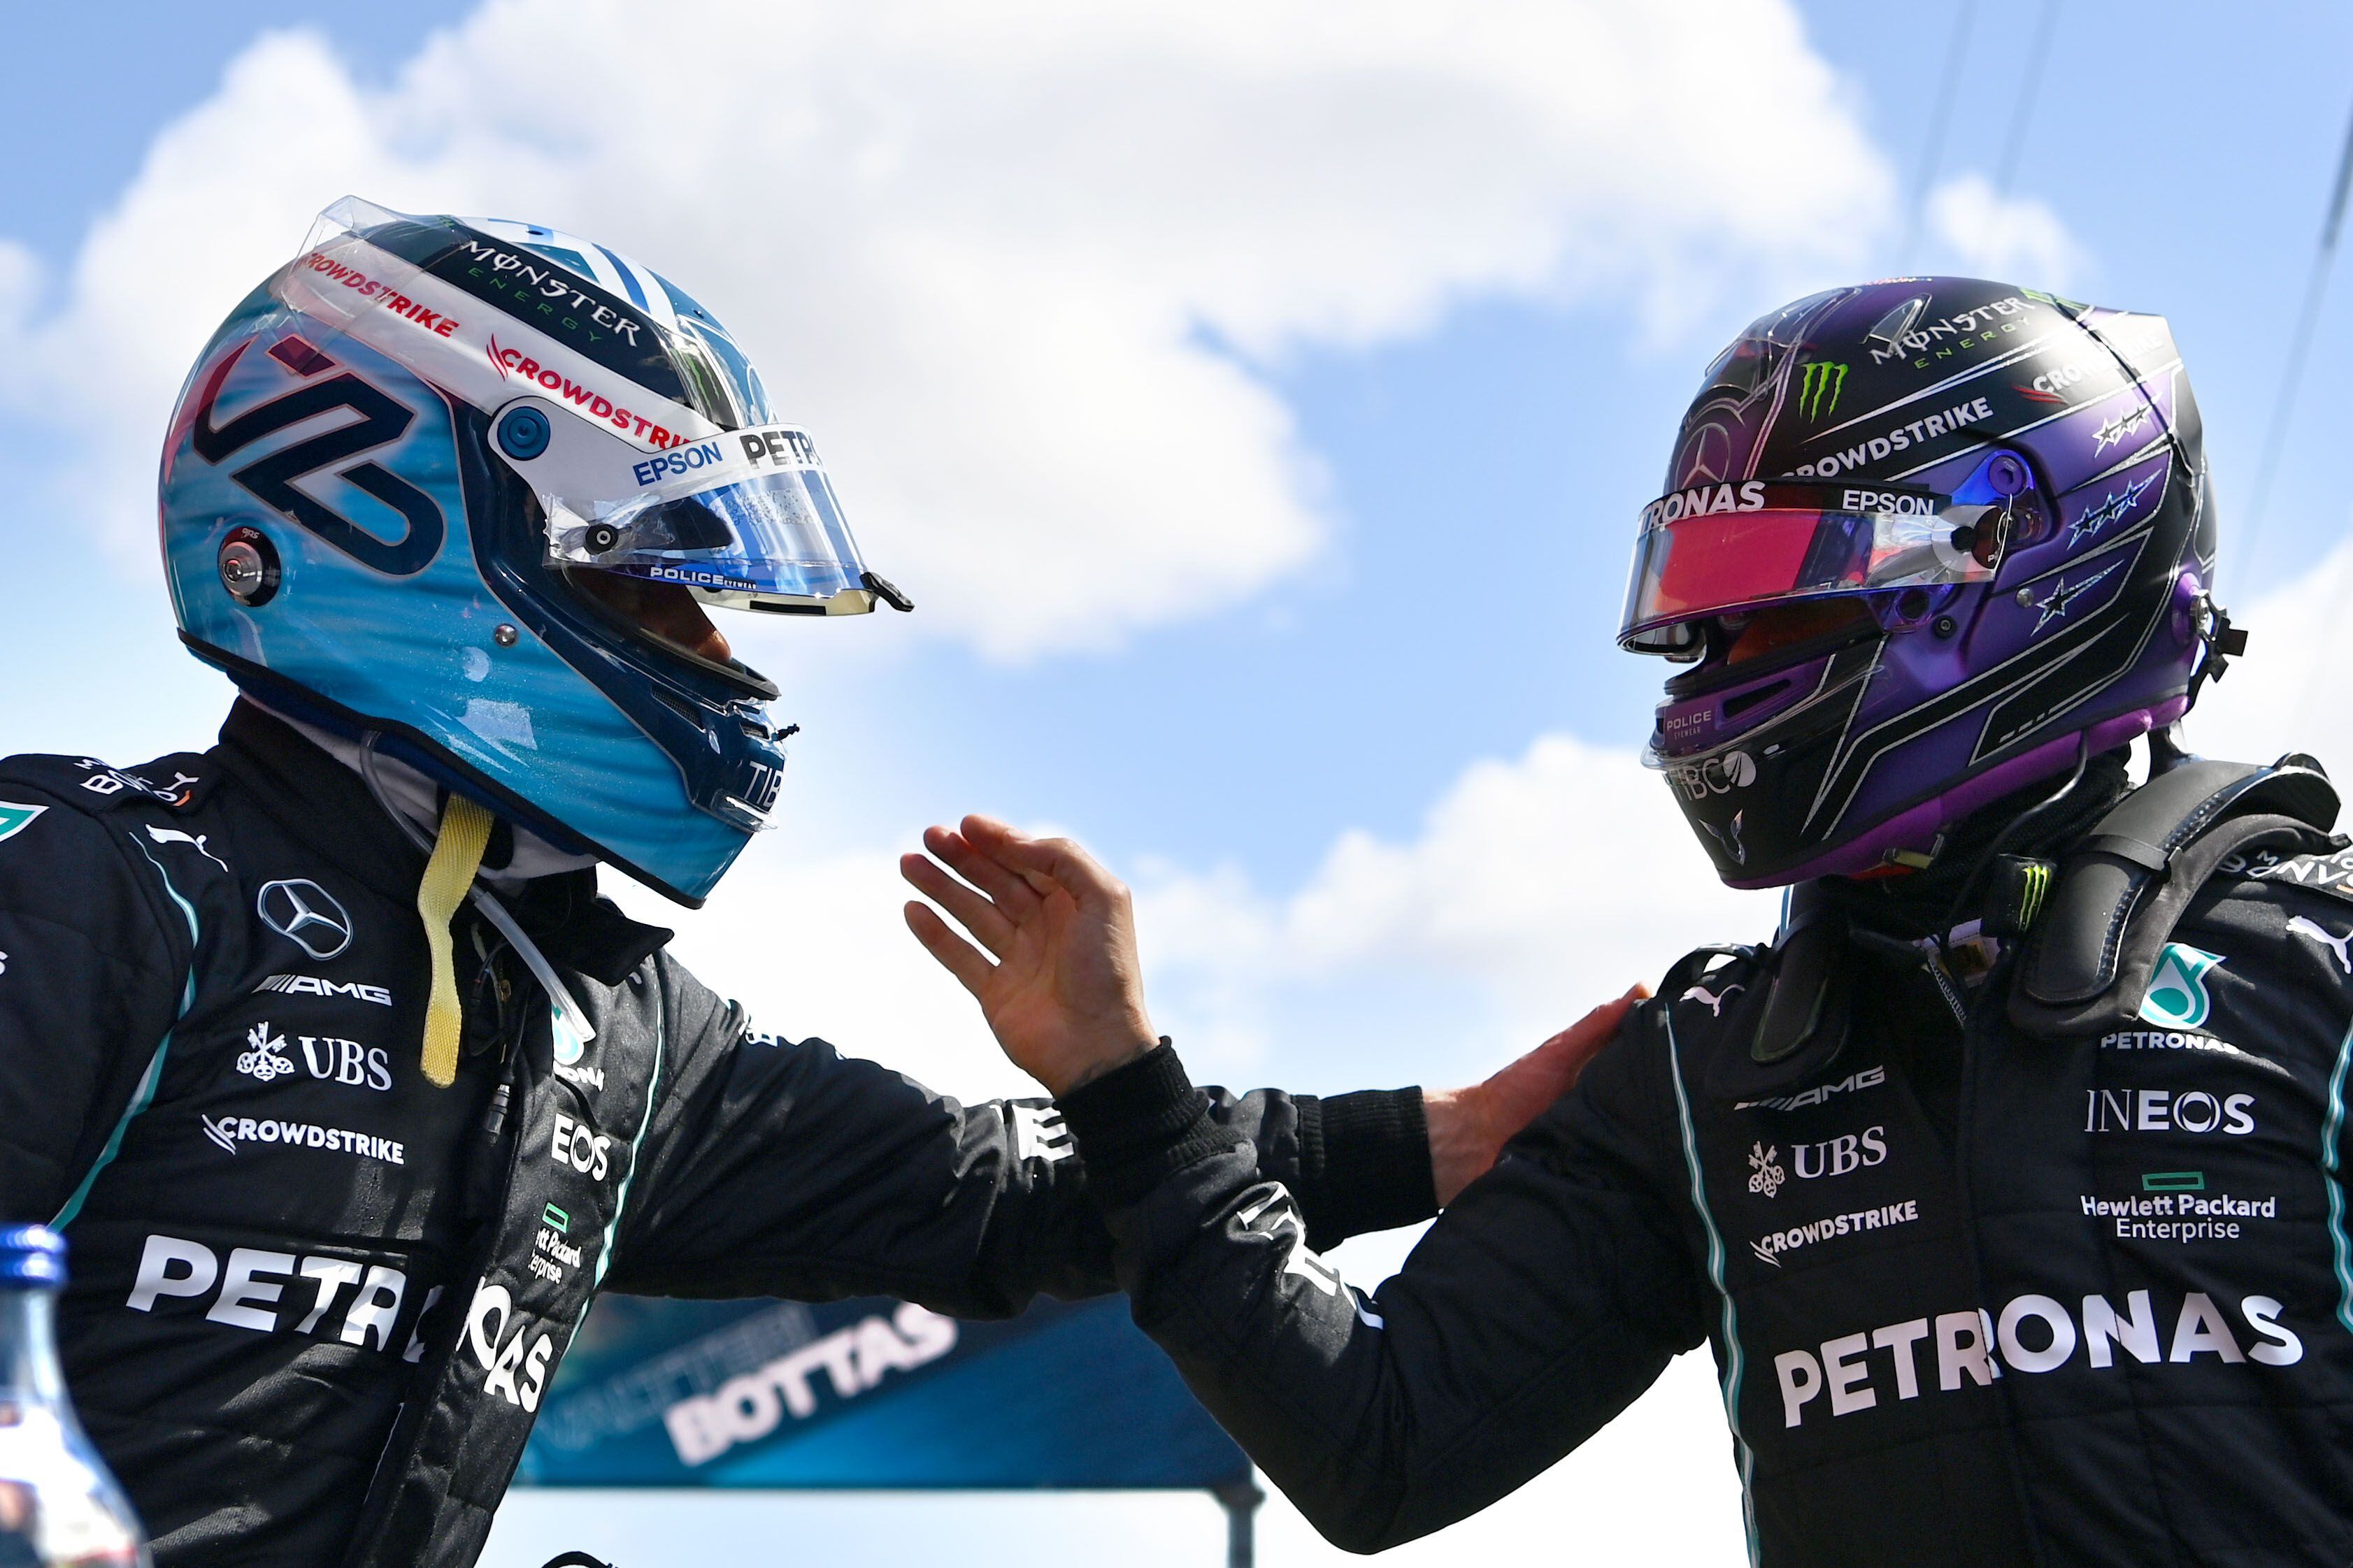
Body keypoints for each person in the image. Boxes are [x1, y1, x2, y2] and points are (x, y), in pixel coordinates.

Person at [0, 196, 1573, 1568]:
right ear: (390, 528)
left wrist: (1430, 1144)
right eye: (659, 591)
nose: (724, 661)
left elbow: (995, 1199)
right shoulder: (94, 893)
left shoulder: (610, 1029)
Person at [903, 278, 2353, 1566]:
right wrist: (1125, 1089)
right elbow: (1379, 1446)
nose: (1717, 662)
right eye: (1702, 616)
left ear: (2002, 568)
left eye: (1776, 600)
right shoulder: (1707, 1067)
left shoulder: (2323, 977)